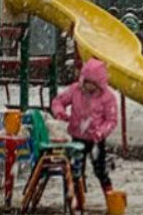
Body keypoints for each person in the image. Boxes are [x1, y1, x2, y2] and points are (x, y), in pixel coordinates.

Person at [51, 57, 119, 205]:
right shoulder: (76, 90)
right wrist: (60, 112)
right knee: (75, 170)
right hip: (76, 137)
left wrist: (100, 132)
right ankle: (75, 199)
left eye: (92, 84)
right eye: (86, 82)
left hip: (96, 140)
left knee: (100, 170)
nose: (87, 87)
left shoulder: (107, 98)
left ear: (99, 84)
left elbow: (111, 120)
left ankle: (111, 198)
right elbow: (58, 101)